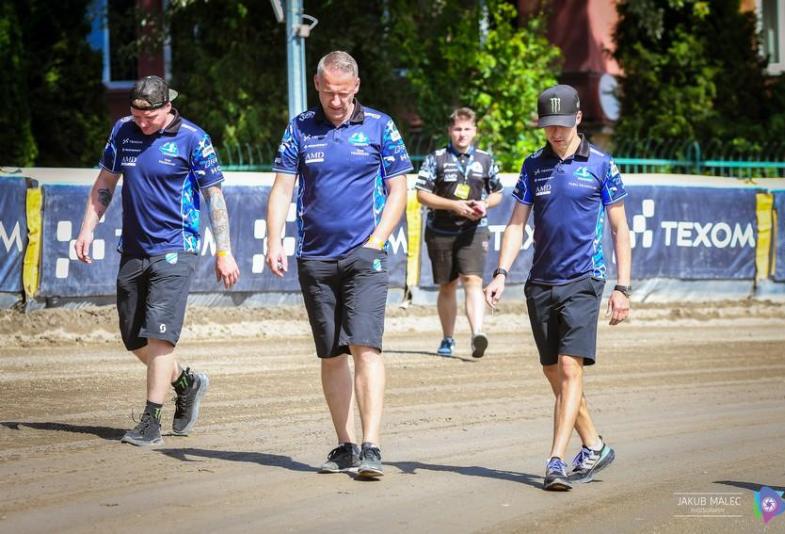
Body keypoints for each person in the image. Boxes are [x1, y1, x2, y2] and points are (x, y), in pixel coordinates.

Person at [267, 51, 412, 478]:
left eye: (344, 94)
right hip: (315, 258)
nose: (336, 101)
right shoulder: (299, 128)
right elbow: (282, 189)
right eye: (329, 92)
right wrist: (274, 240)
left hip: (365, 256)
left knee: (365, 347)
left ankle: (372, 446)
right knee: (332, 354)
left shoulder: (380, 126)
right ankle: (346, 445)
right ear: (317, 85)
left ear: (357, 87)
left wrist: (375, 242)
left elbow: (399, 190)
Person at [75, 75, 240, 447]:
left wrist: (224, 250)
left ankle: (150, 421)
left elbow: (214, 197)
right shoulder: (123, 131)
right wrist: (87, 229)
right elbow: (105, 182)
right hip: (133, 249)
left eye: (148, 117)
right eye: (136, 116)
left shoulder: (194, 139)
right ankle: (186, 382)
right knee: (134, 338)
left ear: (168, 106)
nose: (142, 123)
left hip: (176, 248)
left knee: (159, 335)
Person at [484, 84, 631, 491]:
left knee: (569, 368)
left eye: (562, 125)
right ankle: (595, 445)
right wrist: (501, 272)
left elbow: (619, 228)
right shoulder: (533, 165)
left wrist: (623, 287)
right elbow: (516, 224)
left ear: (578, 119)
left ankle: (555, 461)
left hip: (585, 279)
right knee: (554, 371)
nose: (556, 133)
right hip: (540, 283)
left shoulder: (602, 165)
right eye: (549, 126)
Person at [416, 107, 503, 358]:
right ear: (450, 131)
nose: (462, 134)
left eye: (466, 129)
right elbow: (422, 195)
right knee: (448, 286)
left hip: (474, 230)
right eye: (457, 129)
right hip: (440, 230)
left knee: (473, 280)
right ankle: (448, 338)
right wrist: (454, 205)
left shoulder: (486, 159)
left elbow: (498, 193)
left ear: (474, 131)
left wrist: (484, 204)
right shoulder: (436, 158)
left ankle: (477, 334)